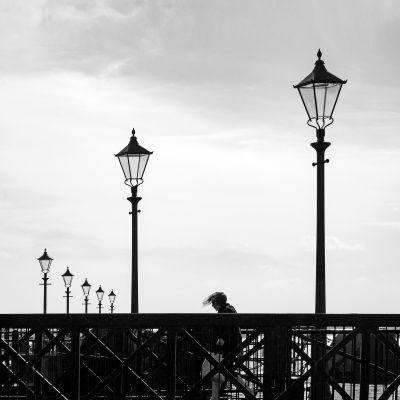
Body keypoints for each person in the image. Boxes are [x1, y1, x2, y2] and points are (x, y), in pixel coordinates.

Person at [202, 292, 255, 400]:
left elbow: (230, 330)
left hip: (226, 348)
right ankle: (215, 396)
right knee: (225, 371)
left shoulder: (226, 311)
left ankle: (249, 392)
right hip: (230, 347)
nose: (212, 306)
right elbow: (235, 330)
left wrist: (222, 338)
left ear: (218, 303)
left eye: (213, 303)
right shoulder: (229, 309)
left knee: (218, 370)